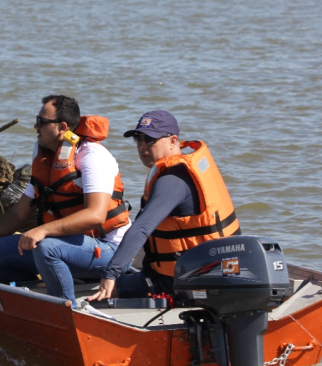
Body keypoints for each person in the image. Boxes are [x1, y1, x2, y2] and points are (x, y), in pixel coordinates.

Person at [0, 95, 131, 306]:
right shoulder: (44, 154)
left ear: (62, 127)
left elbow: (95, 215)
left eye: (41, 121)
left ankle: (65, 310)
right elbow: (17, 213)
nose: (35, 126)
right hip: (67, 245)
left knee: (47, 246)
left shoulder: (92, 157)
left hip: (109, 250)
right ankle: (32, 301)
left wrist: (43, 230)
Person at [86, 110, 241, 302]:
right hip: (215, 271)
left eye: (150, 140)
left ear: (173, 141)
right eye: (138, 139)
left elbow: (141, 228)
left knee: (100, 294)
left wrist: (111, 274)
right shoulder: (180, 171)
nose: (142, 146)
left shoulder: (172, 180)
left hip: (187, 281)